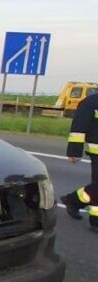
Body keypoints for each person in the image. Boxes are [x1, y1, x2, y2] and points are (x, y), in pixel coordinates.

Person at [62, 90, 98, 231]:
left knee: (96, 186)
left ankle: (73, 200)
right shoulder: (91, 102)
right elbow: (78, 128)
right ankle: (95, 221)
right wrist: (74, 151)